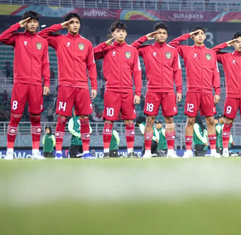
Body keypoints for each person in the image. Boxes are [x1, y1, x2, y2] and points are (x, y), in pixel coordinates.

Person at [39, 13, 97, 159]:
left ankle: (86, 152)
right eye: (71, 22)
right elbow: (41, 34)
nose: (75, 25)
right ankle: (58, 152)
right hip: (65, 86)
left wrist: (94, 86)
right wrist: (60, 26)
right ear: (67, 25)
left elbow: (91, 65)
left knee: (84, 119)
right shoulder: (59, 40)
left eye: (77, 22)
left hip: (82, 86)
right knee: (62, 119)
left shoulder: (87, 44)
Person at [0, 11, 50, 160]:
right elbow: (2, 37)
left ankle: (35, 152)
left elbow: (46, 64)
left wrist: (46, 82)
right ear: (25, 23)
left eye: (35, 21)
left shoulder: (43, 42)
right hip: (20, 84)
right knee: (15, 118)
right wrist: (16, 26)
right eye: (29, 21)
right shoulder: (17, 38)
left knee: (36, 118)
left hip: (36, 85)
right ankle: (9, 152)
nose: (33, 24)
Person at [131, 22, 182, 158]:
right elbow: (131, 49)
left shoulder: (173, 51)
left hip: (169, 91)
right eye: (159, 33)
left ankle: (170, 151)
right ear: (154, 35)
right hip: (152, 90)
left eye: (164, 33)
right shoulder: (146, 49)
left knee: (170, 120)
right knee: (150, 120)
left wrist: (179, 89)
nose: (162, 35)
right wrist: (145, 37)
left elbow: (177, 71)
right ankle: (147, 151)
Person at [169, 27, 221, 158]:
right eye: (197, 34)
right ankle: (188, 151)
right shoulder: (186, 50)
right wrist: (187, 35)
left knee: (210, 120)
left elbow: (216, 73)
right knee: (190, 120)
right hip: (193, 91)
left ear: (205, 37)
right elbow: (172, 45)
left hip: (208, 92)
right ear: (193, 36)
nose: (200, 36)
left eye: (202, 34)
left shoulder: (211, 53)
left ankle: (213, 151)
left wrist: (217, 91)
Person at [93, 21, 142, 159]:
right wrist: (104, 44)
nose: (121, 33)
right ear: (112, 34)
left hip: (127, 91)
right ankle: (106, 152)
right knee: (109, 121)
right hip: (111, 91)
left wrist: (138, 92)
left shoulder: (132, 51)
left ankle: (130, 152)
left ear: (126, 33)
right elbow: (90, 54)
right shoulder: (107, 48)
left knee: (129, 122)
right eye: (117, 31)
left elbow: (137, 72)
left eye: (123, 31)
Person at [212, 32, 241, 157]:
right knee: (227, 123)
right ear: (233, 43)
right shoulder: (226, 57)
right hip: (231, 96)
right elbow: (212, 52)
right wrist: (226, 44)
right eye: (237, 42)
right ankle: (225, 151)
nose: (240, 44)